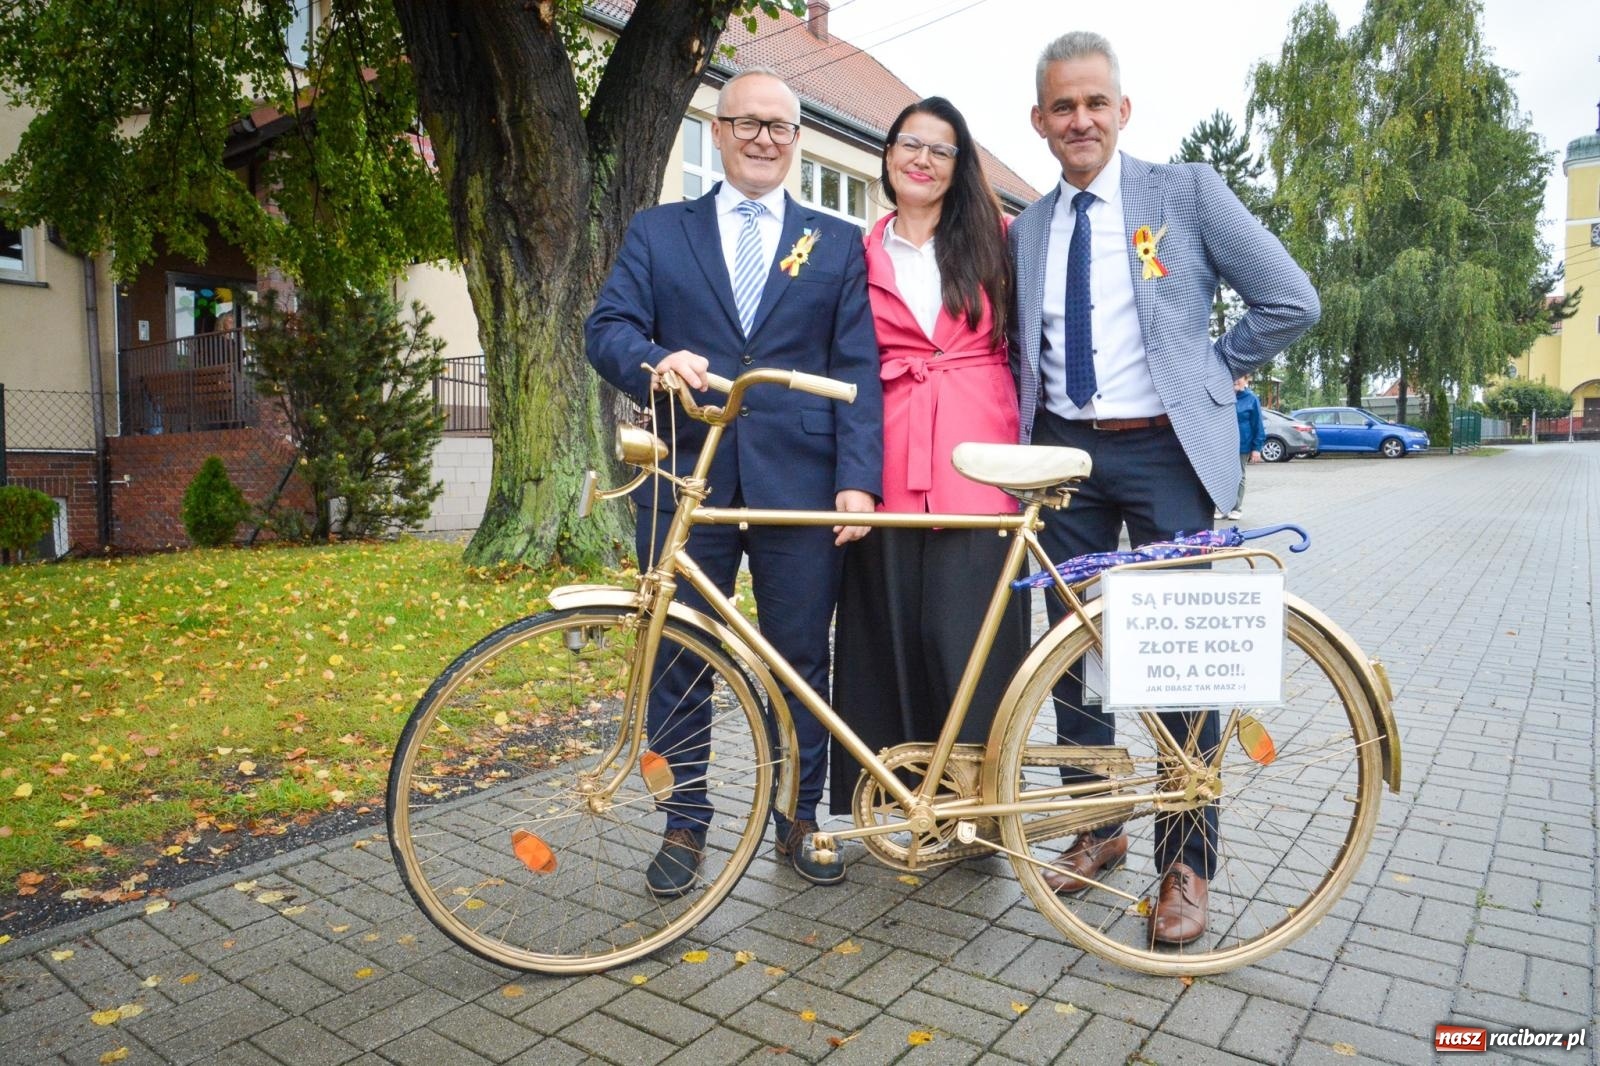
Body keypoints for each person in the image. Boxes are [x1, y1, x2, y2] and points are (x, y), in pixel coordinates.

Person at [1008, 32, 1319, 945]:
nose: (1080, 120)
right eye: (1062, 107)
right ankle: (1095, 828)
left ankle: (1186, 861)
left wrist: (1210, 373)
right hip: (1065, 458)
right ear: (1039, 120)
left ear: (1123, 109)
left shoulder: (1182, 193)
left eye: (1095, 102)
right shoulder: (1026, 228)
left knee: (1185, 656)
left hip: (1166, 455)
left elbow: (1292, 299)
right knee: (1070, 656)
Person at [585, 69, 883, 894]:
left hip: (801, 484)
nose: (764, 138)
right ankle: (685, 825)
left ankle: (800, 817)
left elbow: (858, 366)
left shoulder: (837, 241)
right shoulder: (657, 231)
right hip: (688, 479)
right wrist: (654, 358)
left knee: (797, 661)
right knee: (679, 657)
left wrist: (858, 480)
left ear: (796, 141)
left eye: (780, 127)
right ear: (716, 131)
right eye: (747, 122)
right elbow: (606, 327)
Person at [829, 98, 1031, 818]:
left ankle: (975, 810)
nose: (921, 158)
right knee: (885, 632)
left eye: (940, 149)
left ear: (958, 165)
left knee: (970, 641)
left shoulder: (1000, 241)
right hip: (886, 454)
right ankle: (891, 798)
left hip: (980, 458)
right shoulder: (856, 252)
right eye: (908, 143)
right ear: (886, 155)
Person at [1231, 374, 1265, 520]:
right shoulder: (1224, 397)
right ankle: (1221, 507)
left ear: (1246, 380)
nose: (1235, 380)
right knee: (1221, 475)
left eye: (1239, 377)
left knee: (1239, 476)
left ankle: (1236, 508)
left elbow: (1258, 424)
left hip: (1242, 444)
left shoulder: (1251, 399)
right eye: (1233, 377)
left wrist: (1256, 448)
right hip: (1223, 444)